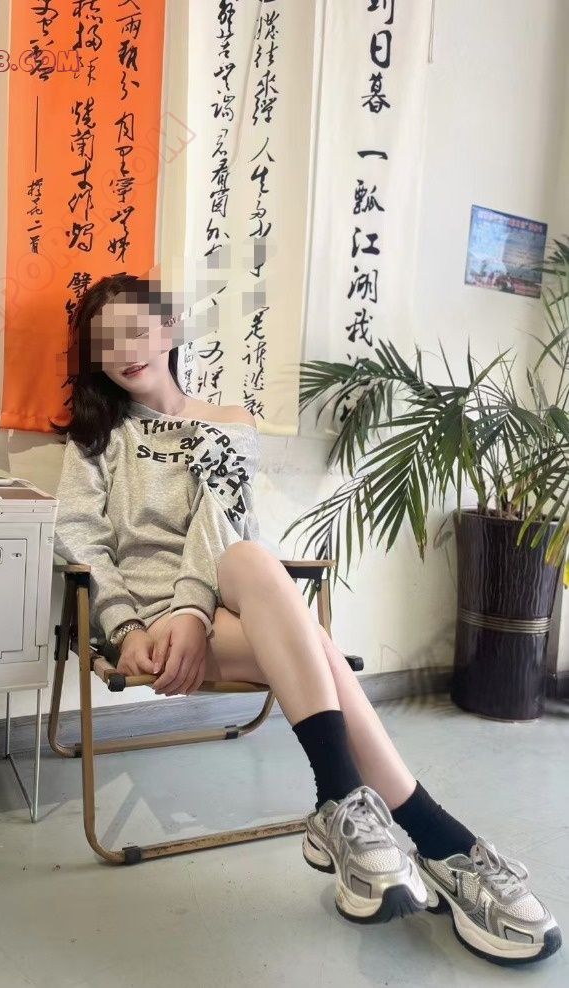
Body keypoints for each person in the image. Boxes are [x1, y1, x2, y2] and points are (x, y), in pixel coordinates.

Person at [52, 272, 561, 967]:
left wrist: (193, 609)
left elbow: (217, 523)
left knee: (249, 555)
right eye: (106, 340)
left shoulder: (229, 420)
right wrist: (128, 628)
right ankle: (440, 840)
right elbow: (82, 541)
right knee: (313, 644)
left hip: (222, 597)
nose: (125, 350)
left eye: (138, 329)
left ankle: (343, 802)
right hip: (145, 623)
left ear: (169, 330)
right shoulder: (96, 438)